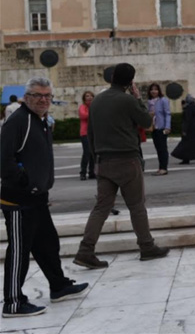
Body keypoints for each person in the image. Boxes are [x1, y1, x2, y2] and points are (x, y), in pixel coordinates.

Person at [1, 77, 89, 318]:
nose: (43, 100)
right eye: (38, 95)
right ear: (27, 97)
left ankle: (58, 286)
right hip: (19, 200)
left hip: (37, 197)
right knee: (19, 251)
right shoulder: (18, 121)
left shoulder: (40, 120)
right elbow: (4, 160)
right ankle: (13, 302)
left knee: (47, 244)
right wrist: (25, 181)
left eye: (47, 95)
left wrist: (39, 186)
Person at [73, 63, 169, 269]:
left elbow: (90, 134)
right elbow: (146, 122)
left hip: (103, 161)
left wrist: (96, 159)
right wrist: (138, 98)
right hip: (127, 160)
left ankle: (85, 250)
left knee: (101, 208)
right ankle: (147, 246)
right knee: (136, 206)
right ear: (130, 81)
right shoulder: (128, 100)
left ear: (112, 77)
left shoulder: (97, 101)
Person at [171, 94, 195, 165]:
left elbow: (187, 120)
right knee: (194, 144)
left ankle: (186, 159)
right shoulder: (194, 107)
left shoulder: (188, 108)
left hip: (189, 129)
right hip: (193, 128)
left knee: (186, 144)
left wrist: (184, 130)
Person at [146, 83, 171, 176]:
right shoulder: (149, 102)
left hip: (162, 127)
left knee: (163, 148)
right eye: (152, 89)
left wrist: (167, 127)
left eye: (156, 89)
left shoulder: (163, 100)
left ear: (159, 91)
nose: (154, 91)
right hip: (153, 128)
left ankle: (164, 168)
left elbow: (167, 114)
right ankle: (161, 167)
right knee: (158, 148)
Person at [78, 91, 96, 180]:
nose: (89, 97)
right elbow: (83, 116)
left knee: (93, 153)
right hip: (85, 133)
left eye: (91, 96)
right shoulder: (83, 107)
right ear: (84, 98)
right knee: (87, 152)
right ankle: (83, 172)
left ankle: (92, 172)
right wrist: (93, 113)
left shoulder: (95, 106)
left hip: (94, 132)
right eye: (87, 96)